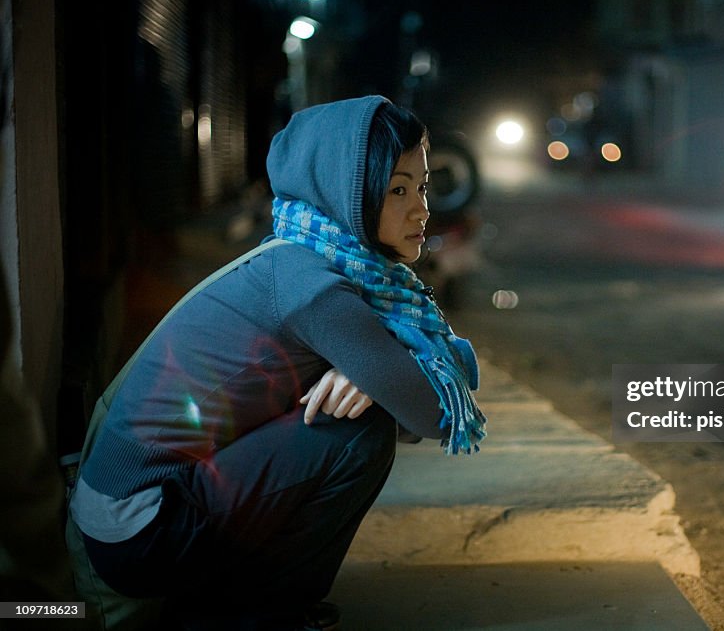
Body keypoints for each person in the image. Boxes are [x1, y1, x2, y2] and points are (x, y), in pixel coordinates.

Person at [66, 96, 487, 629]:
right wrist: (378, 373)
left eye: (422, 187)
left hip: (132, 505)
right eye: (397, 189)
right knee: (362, 431)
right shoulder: (315, 292)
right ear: (344, 192)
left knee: (363, 410)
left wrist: (374, 369)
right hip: (142, 527)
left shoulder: (302, 254)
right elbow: (429, 414)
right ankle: (262, 612)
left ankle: (234, 595)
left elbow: (426, 396)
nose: (421, 209)